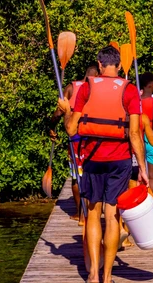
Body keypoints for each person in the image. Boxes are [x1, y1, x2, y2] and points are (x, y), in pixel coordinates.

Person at [58, 46, 148, 283]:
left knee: (93, 214)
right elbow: (135, 134)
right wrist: (143, 169)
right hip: (119, 161)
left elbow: (71, 129)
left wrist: (66, 111)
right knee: (113, 217)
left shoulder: (87, 87)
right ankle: (107, 277)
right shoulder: (130, 91)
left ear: (99, 64)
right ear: (119, 65)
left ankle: (93, 274)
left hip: (93, 160)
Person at [50, 65, 99, 225]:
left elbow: (58, 112)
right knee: (91, 175)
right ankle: (92, 211)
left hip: (75, 138)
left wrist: (51, 126)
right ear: (97, 75)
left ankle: (80, 214)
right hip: (92, 139)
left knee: (76, 177)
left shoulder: (71, 88)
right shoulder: (98, 90)